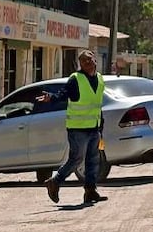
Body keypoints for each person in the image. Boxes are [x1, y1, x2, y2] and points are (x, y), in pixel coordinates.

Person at [37, 49, 107, 204]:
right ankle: (55, 181)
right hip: (78, 129)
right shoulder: (75, 79)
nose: (87, 63)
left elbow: (97, 103)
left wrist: (101, 123)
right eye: (83, 61)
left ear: (95, 60)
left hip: (94, 127)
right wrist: (51, 98)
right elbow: (63, 94)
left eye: (89, 60)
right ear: (79, 64)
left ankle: (90, 191)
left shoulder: (100, 79)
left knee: (93, 161)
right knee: (76, 159)